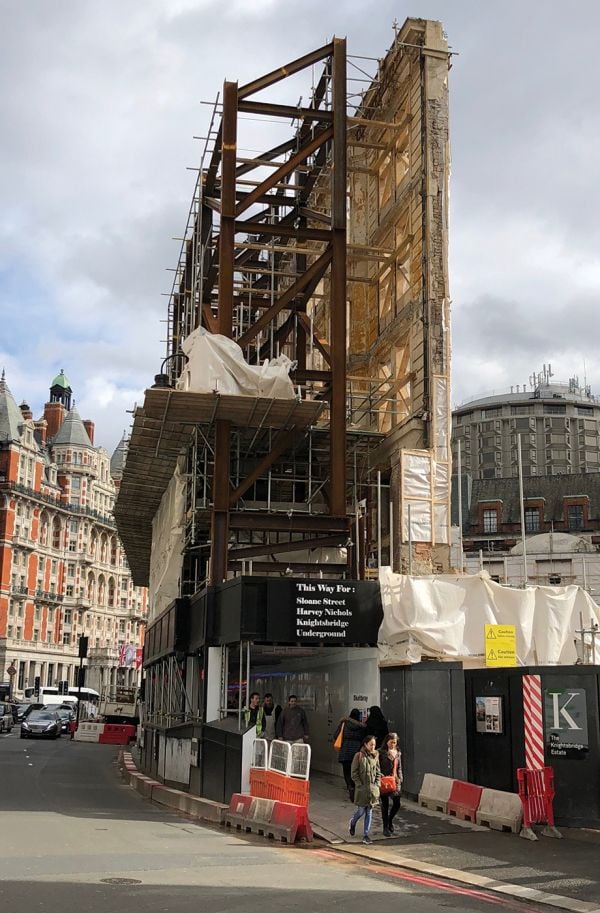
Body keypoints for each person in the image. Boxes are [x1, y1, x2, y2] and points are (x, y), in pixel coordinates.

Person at [349, 734, 381, 845]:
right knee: (361, 811)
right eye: (371, 744)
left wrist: (377, 784)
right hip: (362, 790)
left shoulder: (375, 756)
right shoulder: (359, 756)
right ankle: (353, 822)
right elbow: (354, 773)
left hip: (372, 790)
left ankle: (366, 835)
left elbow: (378, 772)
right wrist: (359, 785)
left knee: (369, 811)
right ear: (365, 744)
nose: (373, 747)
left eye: (374, 745)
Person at [333, 709, 365, 801]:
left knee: (346, 770)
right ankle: (354, 787)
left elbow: (336, 735)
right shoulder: (361, 727)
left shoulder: (344, 723)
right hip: (356, 749)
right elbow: (364, 738)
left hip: (345, 749)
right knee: (355, 770)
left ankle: (349, 786)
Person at [379, 731, 403, 836]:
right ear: (387, 741)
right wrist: (379, 775)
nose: (393, 744)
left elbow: (399, 767)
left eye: (395, 742)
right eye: (391, 742)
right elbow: (377, 766)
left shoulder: (398, 752)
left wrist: (400, 778)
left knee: (397, 803)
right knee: (385, 805)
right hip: (384, 781)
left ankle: (390, 820)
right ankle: (385, 827)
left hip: (395, 780)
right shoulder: (381, 752)